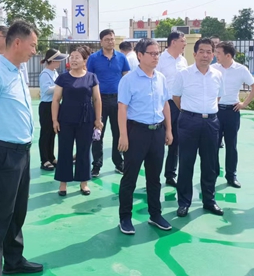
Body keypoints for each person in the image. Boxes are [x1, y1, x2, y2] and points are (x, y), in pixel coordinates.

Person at [0, 20, 43, 275]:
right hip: (3, 152)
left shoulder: (16, 71)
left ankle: (14, 261)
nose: (34, 50)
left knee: (17, 211)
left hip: (21, 152)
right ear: (17, 43)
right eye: (32, 45)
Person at [117, 38, 174, 235]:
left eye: (158, 53)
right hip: (136, 133)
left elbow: (165, 104)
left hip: (157, 132)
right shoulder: (128, 80)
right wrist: (123, 135)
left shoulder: (161, 78)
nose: (156, 57)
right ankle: (125, 218)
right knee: (130, 177)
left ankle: (155, 215)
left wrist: (168, 130)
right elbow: (122, 108)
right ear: (140, 55)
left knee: (154, 177)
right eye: (152, 53)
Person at [172, 37, 225, 217]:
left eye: (209, 52)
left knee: (210, 164)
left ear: (213, 55)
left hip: (211, 122)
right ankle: (184, 202)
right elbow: (176, 97)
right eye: (201, 51)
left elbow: (218, 97)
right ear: (194, 54)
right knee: (186, 162)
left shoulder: (218, 75)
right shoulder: (184, 74)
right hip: (188, 121)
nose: (205, 55)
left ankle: (209, 201)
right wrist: (191, 112)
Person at [52, 46, 102, 196]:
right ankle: (63, 183)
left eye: (77, 57)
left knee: (84, 150)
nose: (73, 60)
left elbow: (97, 99)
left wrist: (98, 119)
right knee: (64, 150)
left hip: (86, 119)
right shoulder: (63, 78)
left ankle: (83, 182)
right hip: (66, 119)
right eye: (72, 57)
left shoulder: (91, 77)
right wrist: (54, 120)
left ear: (85, 60)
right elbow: (56, 100)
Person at [212, 41, 254, 189]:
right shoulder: (213, 68)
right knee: (213, 145)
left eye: (219, 53)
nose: (216, 55)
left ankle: (231, 176)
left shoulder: (241, 69)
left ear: (228, 55)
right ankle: (212, 174)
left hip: (232, 111)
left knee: (231, 145)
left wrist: (244, 104)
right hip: (216, 111)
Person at [88, 29, 131, 177]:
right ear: (101, 42)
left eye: (112, 39)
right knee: (97, 133)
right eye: (107, 39)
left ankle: (119, 163)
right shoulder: (93, 58)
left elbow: (126, 78)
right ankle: (96, 165)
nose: (110, 42)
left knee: (118, 132)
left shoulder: (121, 58)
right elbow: (89, 78)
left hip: (118, 100)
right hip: (99, 100)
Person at [156, 31, 188, 188]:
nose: (185, 44)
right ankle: (153, 176)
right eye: (183, 41)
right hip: (163, 104)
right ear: (173, 42)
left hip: (179, 104)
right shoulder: (160, 59)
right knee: (158, 141)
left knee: (176, 141)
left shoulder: (183, 60)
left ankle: (170, 174)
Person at [39, 48, 68, 171]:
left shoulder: (54, 72)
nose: (60, 62)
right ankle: (44, 159)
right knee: (46, 133)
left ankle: (51, 157)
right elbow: (46, 90)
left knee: (52, 132)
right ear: (52, 61)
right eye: (58, 60)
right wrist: (60, 86)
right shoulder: (45, 74)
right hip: (47, 106)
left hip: (55, 105)